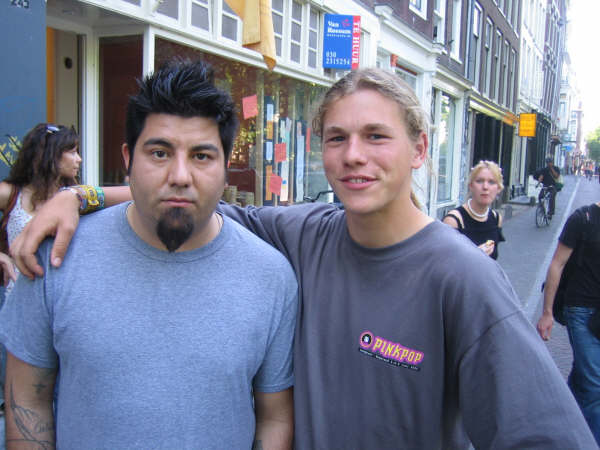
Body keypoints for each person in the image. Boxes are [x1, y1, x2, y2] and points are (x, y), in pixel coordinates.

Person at [10, 68, 597, 448]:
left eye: (376, 136)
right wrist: (79, 197)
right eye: (337, 138)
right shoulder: (304, 233)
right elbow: (192, 200)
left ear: (420, 149)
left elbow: (544, 434)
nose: (354, 155)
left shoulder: (465, 276)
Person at [0, 59, 296, 448]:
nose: (180, 176)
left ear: (226, 168)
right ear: (128, 160)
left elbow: (275, 418)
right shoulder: (55, 257)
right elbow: (27, 401)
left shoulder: (270, 276)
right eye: (159, 153)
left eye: (202, 156)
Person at [536, 202, 600, 444]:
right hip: (580, 309)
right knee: (595, 386)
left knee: (584, 378)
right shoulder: (583, 218)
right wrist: (547, 312)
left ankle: (560, 423)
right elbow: (557, 264)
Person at [0, 123, 81, 293]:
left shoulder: (76, 197)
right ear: (51, 154)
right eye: (73, 152)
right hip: (20, 298)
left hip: (64, 298)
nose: (79, 159)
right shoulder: (11, 193)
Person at [442, 160, 505, 259]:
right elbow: (443, 261)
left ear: (498, 188)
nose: (485, 187)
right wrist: (475, 255)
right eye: (479, 181)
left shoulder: (496, 218)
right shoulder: (454, 220)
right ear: (471, 186)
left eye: (491, 182)